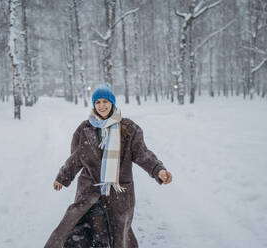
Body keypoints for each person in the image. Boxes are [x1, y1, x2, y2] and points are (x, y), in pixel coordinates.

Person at [45, 84, 172, 248]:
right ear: (94, 105)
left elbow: (142, 154)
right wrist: (63, 177)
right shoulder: (85, 129)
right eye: (97, 102)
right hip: (90, 190)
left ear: (112, 103)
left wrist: (158, 170)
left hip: (118, 192)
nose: (102, 105)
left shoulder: (129, 128)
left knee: (118, 234)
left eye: (105, 101)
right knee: (91, 231)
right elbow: (76, 158)